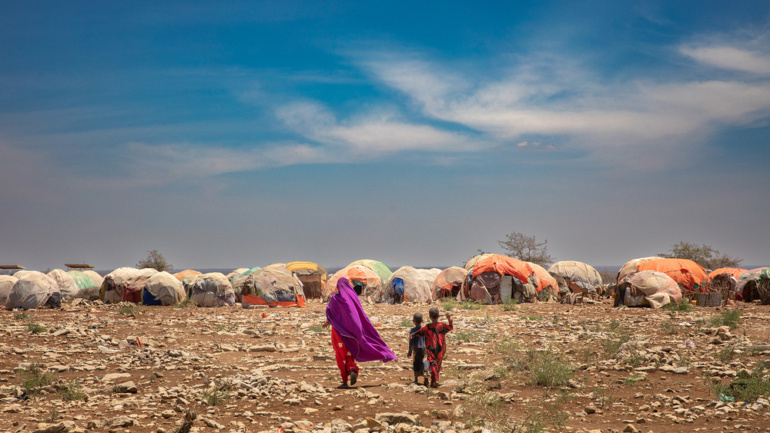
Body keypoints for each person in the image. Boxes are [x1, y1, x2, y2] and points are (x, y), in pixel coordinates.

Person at [324, 277, 397, 388]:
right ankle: (352, 368)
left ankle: (344, 380)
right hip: (351, 332)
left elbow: (330, 313)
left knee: (340, 354)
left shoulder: (335, 298)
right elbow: (359, 314)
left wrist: (327, 322)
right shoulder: (353, 297)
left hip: (338, 332)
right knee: (349, 353)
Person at [411, 307, 453, 388]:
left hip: (431, 347)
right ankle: (434, 380)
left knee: (432, 363)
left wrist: (412, 334)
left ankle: (435, 380)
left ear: (430, 316)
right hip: (441, 347)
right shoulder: (442, 325)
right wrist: (449, 319)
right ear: (438, 316)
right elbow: (450, 327)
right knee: (438, 363)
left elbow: (419, 332)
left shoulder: (428, 327)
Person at [407, 312, 428, 385]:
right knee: (424, 362)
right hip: (424, 348)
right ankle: (426, 377)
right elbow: (427, 340)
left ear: (414, 321)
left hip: (416, 348)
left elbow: (411, 342)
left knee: (416, 363)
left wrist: (409, 352)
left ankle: (416, 379)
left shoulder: (412, 331)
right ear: (422, 321)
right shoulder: (425, 329)